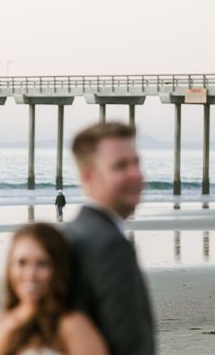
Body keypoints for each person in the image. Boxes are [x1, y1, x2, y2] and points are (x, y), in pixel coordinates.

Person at [65, 122, 155, 355]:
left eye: (136, 163)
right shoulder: (110, 246)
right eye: (120, 166)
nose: (136, 174)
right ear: (88, 177)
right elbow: (129, 346)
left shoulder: (70, 234)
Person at [0, 223, 108, 355]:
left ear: (58, 269)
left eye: (42, 264)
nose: (30, 275)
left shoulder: (72, 327)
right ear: (10, 268)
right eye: (22, 263)